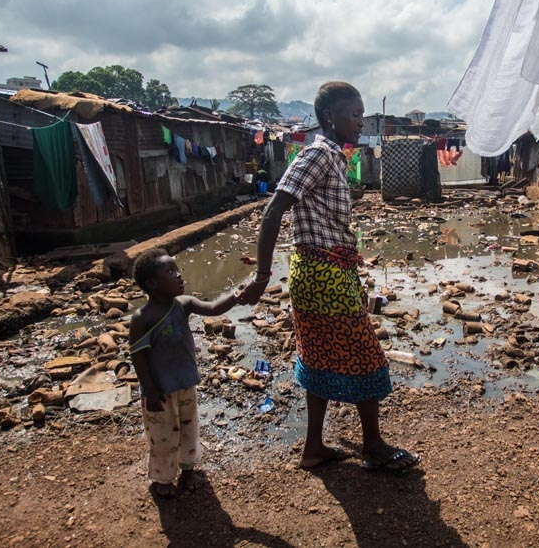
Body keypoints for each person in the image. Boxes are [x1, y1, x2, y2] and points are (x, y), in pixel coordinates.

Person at [239, 81, 420, 473]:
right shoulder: (318, 154)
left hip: (324, 270)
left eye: (360, 113)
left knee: (319, 356)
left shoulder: (333, 157)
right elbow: (273, 212)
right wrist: (261, 274)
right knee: (365, 356)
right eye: (353, 114)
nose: (359, 122)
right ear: (328, 117)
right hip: (323, 275)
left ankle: (314, 448)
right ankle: (372, 446)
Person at [129, 248, 240, 498]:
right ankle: (163, 478)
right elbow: (138, 355)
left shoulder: (183, 304)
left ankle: (189, 469)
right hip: (160, 390)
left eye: (177, 269)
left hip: (185, 383)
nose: (179, 275)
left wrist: (237, 295)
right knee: (163, 437)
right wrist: (149, 389)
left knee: (189, 430)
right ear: (152, 284)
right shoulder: (142, 318)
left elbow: (213, 307)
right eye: (170, 272)